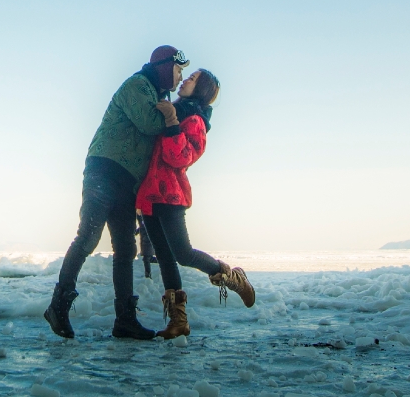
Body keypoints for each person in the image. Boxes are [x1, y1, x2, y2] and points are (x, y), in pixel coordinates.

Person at [44, 46, 189, 340]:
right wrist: (174, 117)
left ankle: (125, 319)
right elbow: (150, 124)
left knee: (125, 248)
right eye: (177, 69)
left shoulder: (158, 96)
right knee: (89, 235)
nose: (179, 75)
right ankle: (58, 305)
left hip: (127, 182)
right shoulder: (137, 85)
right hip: (104, 170)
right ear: (163, 66)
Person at [137, 69, 255, 340]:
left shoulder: (195, 121)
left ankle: (231, 278)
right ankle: (178, 321)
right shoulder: (174, 110)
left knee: (183, 253)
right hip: (150, 196)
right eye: (188, 75)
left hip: (171, 195)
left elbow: (180, 157)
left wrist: (171, 120)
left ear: (201, 89)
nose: (186, 79)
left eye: (193, 79)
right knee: (165, 258)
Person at [136, 213, 157, 278]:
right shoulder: (143, 221)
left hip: (147, 239)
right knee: (148, 258)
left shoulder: (145, 216)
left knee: (146, 258)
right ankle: (166, 260)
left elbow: (144, 224)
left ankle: (148, 275)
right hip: (145, 238)